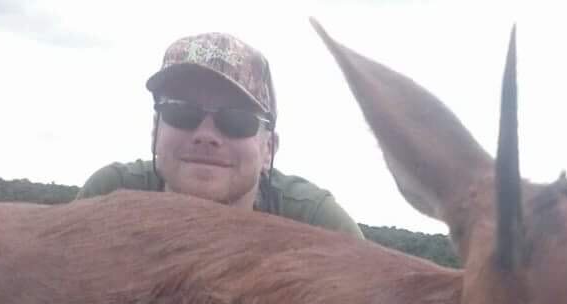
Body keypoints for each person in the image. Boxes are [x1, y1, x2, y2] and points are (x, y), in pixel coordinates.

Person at [77, 31, 364, 239]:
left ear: (269, 149)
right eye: (182, 112)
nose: (205, 135)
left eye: (236, 120)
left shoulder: (317, 224)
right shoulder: (109, 194)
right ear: (156, 129)